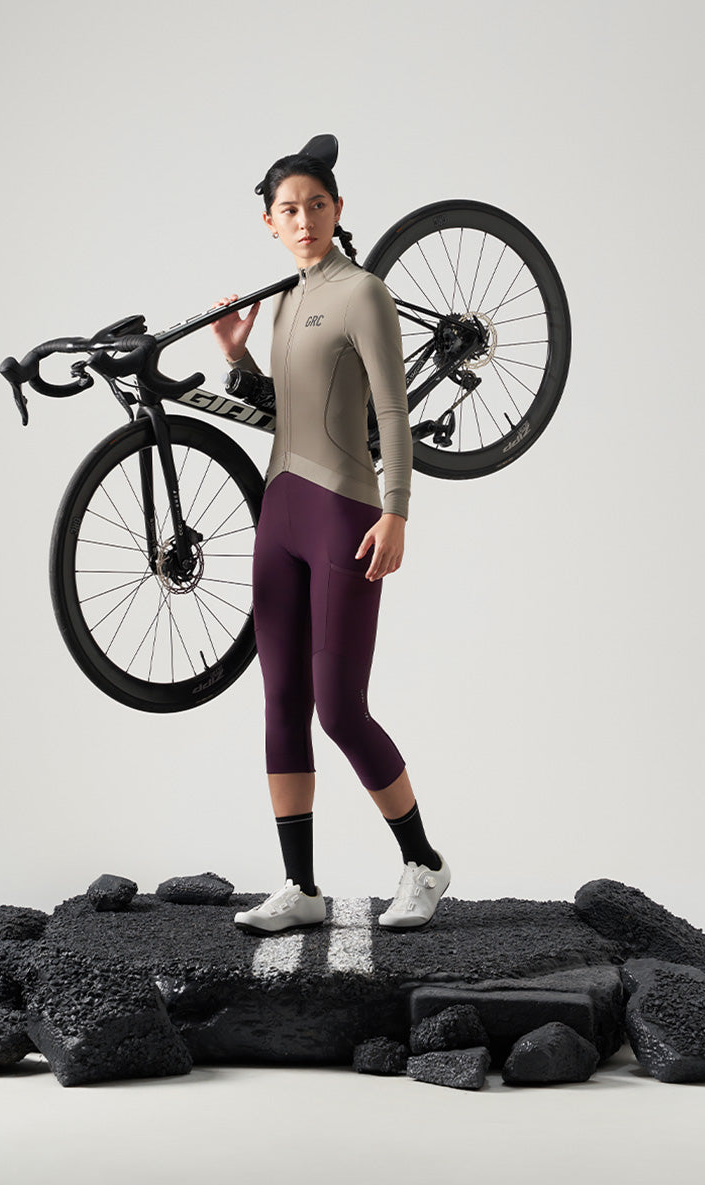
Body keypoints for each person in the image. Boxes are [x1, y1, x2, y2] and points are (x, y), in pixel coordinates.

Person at [209, 137, 450, 934]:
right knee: (282, 703)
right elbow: (293, 410)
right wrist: (240, 358)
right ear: (269, 223)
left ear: (338, 210)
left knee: (341, 708)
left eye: (317, 204)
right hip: (279, 513)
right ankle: (300, 887)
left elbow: (391, 410)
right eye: (289, 209)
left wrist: (397, 508)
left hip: (345, 511)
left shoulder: (363, 294)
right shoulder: (286, 300)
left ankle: (423, 863)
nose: (304, 219)